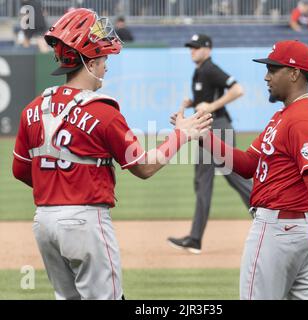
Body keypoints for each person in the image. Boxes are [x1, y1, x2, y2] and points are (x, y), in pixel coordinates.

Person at [12, 8, 212, 300]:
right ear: (90, 61)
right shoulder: (104, 112)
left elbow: (21, 171)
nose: (106, 66)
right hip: (85, 221)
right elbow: (143, 167)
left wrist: (58, 184)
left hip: (43, 223)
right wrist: (182, 134)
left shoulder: (32, 109)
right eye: (103, 59)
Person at [197, 40, 308, 299]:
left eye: (273, 69)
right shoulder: (284, 115)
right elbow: (246, 165)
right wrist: (203, 137)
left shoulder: (303, 119)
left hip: (277, 231)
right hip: (299, 234)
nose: (266, 76)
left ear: (294, 73)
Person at [167, 34, 253, 254]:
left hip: (218, 128)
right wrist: (193, 103)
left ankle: (268, 215)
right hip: (207, 129)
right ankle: (195, 239)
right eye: (191, 47)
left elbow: (238, 89)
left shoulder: (210, 69)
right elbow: (204, 102)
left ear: (208, 49)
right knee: (206, 180)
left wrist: (211, 106)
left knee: (231, 178)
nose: (192, 51)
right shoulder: (199, 71)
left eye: (196, 47)